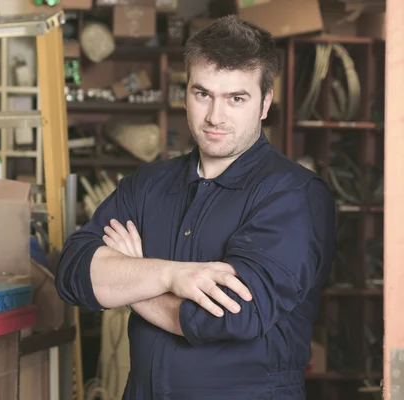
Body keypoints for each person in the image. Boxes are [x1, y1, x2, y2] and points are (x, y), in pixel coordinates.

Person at [55, 15, 336, 400]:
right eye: (202, 94)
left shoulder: (293, 196)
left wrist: (130, 284)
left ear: (265, 103)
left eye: (236, 98)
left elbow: (230, 317)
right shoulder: (147, 184)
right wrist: (172, 276)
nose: (215, 117)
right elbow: (72, 272)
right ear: (184, 93)